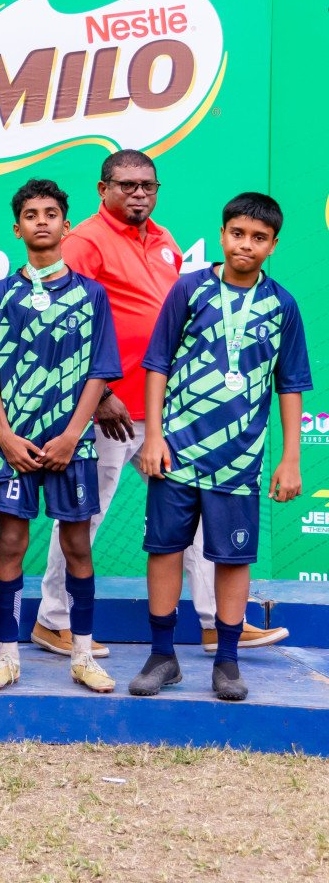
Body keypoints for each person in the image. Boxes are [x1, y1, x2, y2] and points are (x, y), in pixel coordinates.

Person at [37, 150, 286, 654]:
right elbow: (57, 322)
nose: (138, 194)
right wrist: (101, 391)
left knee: (195, 518)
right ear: (103, 188)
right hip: (102, 413)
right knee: (84, 516)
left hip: (163, 413)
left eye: (147, 185)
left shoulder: (165, 240)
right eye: (126, 185)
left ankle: (218, 621)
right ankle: (52, 619)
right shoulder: (84, 241)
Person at [131, 193, 309, 702]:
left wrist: (290, 457)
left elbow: (290, 384)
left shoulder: (283, 305)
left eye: (258, 238)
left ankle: (227, 662)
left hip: (238, 463)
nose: (245, 245)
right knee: (164, 552)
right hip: (175, 456)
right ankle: (162, 656)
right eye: (237, 234)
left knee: (232, 560)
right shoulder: (190, 290)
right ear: (223, 234)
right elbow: (159, 362)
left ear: (273, 245)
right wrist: (154, 435)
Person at [0, 180, 121, 694]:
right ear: (16, 228)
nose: (41, 220)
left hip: (70, 448)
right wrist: (6, 436)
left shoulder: (92, 293)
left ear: (66, 224)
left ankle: (82, 654)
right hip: (14, 448)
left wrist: (73, 437)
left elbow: (100, 373)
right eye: (31, 214)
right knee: (10, 545)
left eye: (51, 212)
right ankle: (7, 657)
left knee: (78, 546)